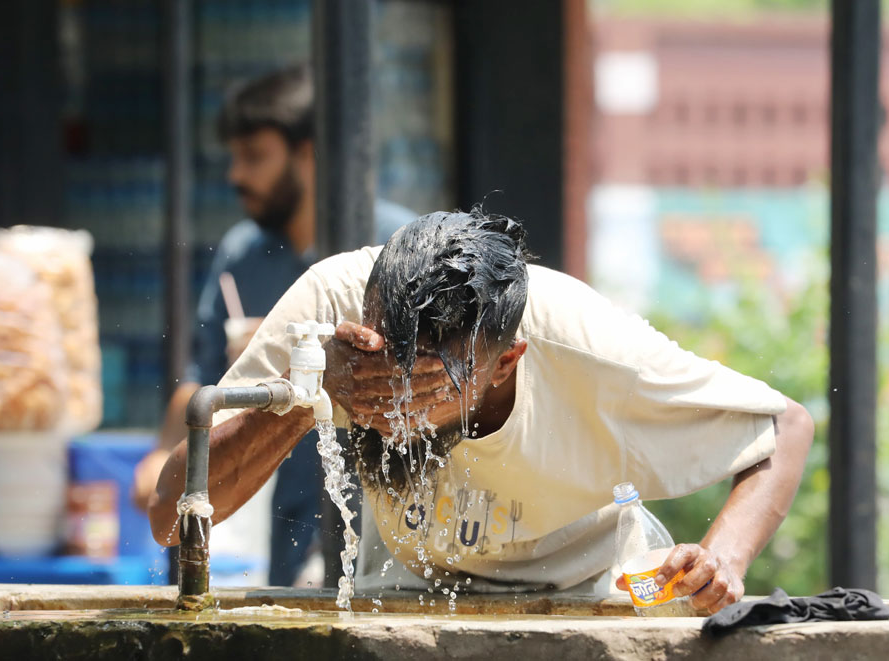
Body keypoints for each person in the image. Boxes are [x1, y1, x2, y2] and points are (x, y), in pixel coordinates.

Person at [148, 210, 814, 613]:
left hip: (583, 595)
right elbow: (170, 515)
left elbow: (784, 425)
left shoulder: (592, 350)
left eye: (428, 385)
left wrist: (725, 556)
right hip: (404, 588)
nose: (396, 406)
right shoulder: (332, 307)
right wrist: (310, 392)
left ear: (506, 361)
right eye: (383, 371)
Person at [131, 63, 414, 587]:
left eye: (254, 157)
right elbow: (204, 378)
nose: (236, 175)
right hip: (285, 521)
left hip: (389, 531)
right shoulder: (242, 256)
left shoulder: (400, 248)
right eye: (234, 157)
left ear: (307, 154)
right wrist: (163, 455)